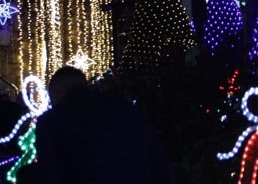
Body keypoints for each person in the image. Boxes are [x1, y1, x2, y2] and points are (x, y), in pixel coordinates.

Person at [32, 65, 174, 183]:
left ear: (57, 91)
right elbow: (157, 160)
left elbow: (51, 172)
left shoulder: (51, 121)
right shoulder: (124, 108)